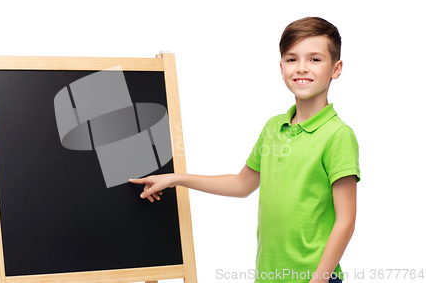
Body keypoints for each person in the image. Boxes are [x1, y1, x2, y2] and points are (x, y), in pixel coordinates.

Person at [129, 16, 360, 283]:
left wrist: (318, 280)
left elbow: (346, 221)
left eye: (315, 59)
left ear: (336, 68)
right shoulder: (274, 127)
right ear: (281, 66)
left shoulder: (338, 135)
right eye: (292, 59)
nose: (302, 68)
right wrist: (176, 179)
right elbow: (241, 184)